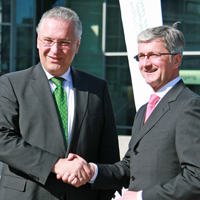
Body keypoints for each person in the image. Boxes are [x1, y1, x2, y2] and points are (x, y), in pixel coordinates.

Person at [65, 23, 200, 200]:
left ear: (176, 61)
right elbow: (130, 167)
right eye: (141, 56)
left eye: (154, 55)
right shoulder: (144, 109)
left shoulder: (190, 106)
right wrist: (92, 171)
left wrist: (141, 197)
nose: (145, 64)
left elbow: (196, 177)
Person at [0, 6, 120, 200]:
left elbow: (109, 154)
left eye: (64, 42)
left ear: (77, 45)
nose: (55, 50)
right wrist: (55, 164)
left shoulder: (98, 89)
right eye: (48, 40)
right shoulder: (10, 84)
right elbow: (2, 140)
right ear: (38, 41)